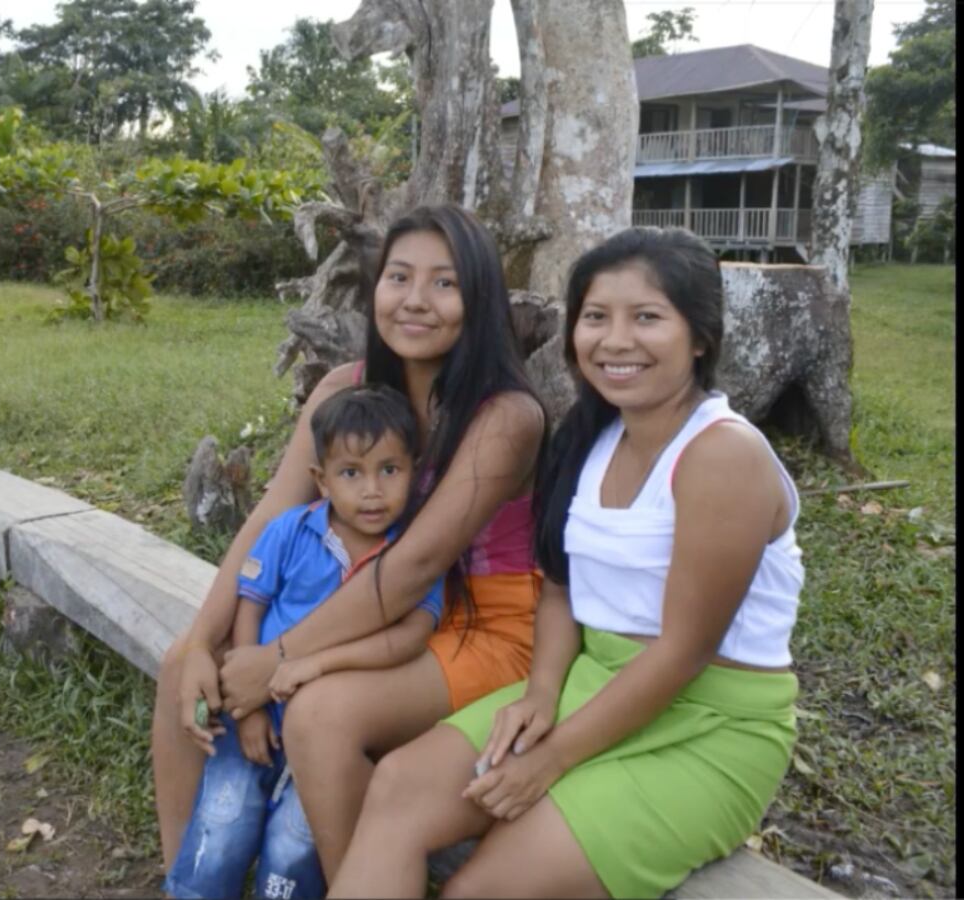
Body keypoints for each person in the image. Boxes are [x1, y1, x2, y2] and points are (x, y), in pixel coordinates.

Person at [327, 226, 804, 898]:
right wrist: (541, 695)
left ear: (700, 336)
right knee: (398, 790)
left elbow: (682, 654)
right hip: (593, 682)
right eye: (595, 317)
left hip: (709, 726)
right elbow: (558, 588)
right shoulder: (593, 435)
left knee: (479, 890)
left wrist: (550, 759)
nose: (615, 341)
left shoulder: (722, 457)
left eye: (646, 318)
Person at [151, 204, 548, 880]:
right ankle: (184, 881)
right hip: (357, 599)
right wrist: (200, 641)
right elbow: (270, 519)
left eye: (444, 283)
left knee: (321, 713)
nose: (416, 301)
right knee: (178, 672)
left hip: (482, 628)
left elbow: (414, 564)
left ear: (478, 299)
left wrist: (274, 656)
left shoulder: (505, 416)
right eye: (399, 277)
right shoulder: (344, 389)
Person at [164, 384, 445, 900]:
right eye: (350, 473)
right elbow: (250, 609)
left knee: (293, 846)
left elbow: (411, 637)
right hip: (255, 717)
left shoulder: (411, 551)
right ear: (320, 480)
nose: (372, 491)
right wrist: (246, 710)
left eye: (390, 470)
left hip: (327, 738)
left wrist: (319, 664)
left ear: (415, 470)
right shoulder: (292, 531)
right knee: (222, 820)